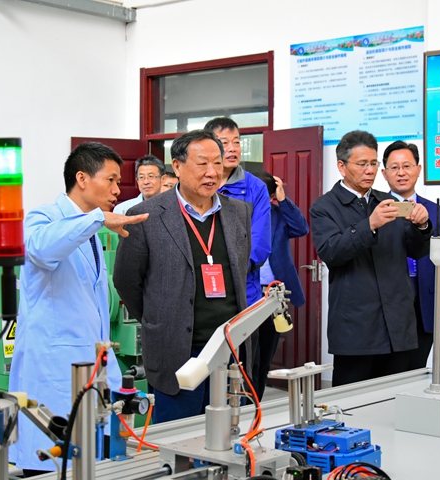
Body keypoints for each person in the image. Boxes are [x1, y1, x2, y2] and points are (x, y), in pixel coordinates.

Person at [9, 142, 148, 477]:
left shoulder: (92, 232)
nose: (117, 191)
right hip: (53, 370)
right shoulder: (44, 218)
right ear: (82, 178)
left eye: (118, 182)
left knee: (89, 463)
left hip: (90, 367)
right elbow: (40, 248)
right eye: (111, 180)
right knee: (51, 464)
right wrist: (97, 218)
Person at [113, 130, 252, 423]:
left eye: (217, 163)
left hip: (228, 351)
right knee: (177, 438)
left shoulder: (238, 212)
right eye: (202, 164)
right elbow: (126, 281)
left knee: (227, 433)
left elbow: (240, 272)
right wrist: (157, 320)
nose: (212, 172)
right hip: (176, 352)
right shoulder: (146, 216)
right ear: (176, 166)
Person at [310, 130, 432, 386]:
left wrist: (422, 227)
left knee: (394, 398)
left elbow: (416, 250)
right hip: (356, 328)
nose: (370, 170)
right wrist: (370, 225)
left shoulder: (388, 201)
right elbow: (331, 252)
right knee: (352, 402)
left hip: (396, 324)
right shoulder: (324, 207)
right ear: (342, 167)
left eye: (374, 163)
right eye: (362, 164)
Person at [381, 141, 440, 369]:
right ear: (384, 173)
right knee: (389, 372)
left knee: (417, 369)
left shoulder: (435, 211)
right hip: (389, 306)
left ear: (418, 169)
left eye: (407, 166)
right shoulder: (377, 209)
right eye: (394, 167)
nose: (401, 173)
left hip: (424, 305)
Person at [254, 171, 309, 400]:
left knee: (264, 355)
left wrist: (283, 200)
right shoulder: (235, 214)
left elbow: (301, 228)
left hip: (272, 294)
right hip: (246, 291)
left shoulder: (277, 213)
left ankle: (255, 403)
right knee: (246, 357)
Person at [204, 117, 271, 306]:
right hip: (200, 291)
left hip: (243, 291)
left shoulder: (256, 188)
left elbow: (259, 243)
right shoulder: (198, 185)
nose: (232, 149)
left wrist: (228, 271)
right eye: (224, 143)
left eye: (236, 142)